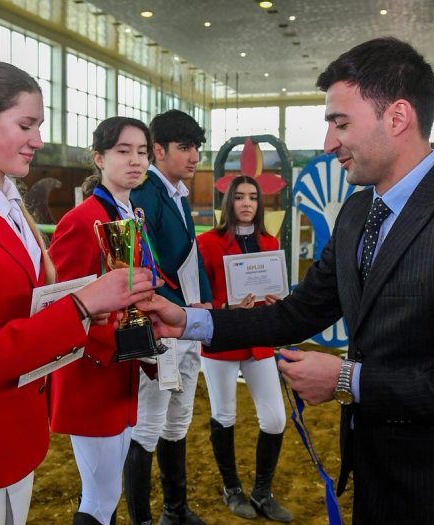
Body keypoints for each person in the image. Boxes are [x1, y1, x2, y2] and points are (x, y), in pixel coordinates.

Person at [135, 37, 434, 525]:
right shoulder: (359, 211)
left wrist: (348, 379)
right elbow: (298, 312)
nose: (328, 144)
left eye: (340, 123)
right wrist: (190, 322)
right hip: (370, 471)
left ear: (397, 117)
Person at [0, 61, 159, 525]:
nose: (38, 139)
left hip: (16, 431)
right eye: (26, 124)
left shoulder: (10, 207)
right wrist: (82, 305)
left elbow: (30, 311)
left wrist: (87, 315)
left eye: (38, 125)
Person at [48, 116, 157, 525]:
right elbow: (63, 308)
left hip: (122, 369)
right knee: (99, 496)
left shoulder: (131, 215)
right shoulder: (81, 221)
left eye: (142, 152)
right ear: (99, 158)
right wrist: (116, 340)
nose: (135, 161)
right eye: (123, 151)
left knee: (107, 493)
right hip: (91, 372)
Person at [124, 109, 213, 525]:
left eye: (197, 147)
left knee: (178, 419)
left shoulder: (175, 195)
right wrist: (178, 307)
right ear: (158, 151)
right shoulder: (144, 196)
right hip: (162, 325)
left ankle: (174, 509)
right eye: (185, 147)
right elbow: (145, 268)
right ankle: (143, 519)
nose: (194, 156)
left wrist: (203, 303)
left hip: (187, 322)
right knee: (147, 425)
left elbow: (187, 262)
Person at [196, 176, 292, 522]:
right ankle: (232, 489)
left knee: (276, 418)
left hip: (259, 340)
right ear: (229, 203)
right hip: (222, 340)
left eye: (253, 197)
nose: (247, 203)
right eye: (239, 197)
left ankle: (262, 492)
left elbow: (277, 291)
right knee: (224, 414)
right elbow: (200, 299)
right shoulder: (206, 243)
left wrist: (275, 302)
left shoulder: (269, 241)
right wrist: (225, 307)